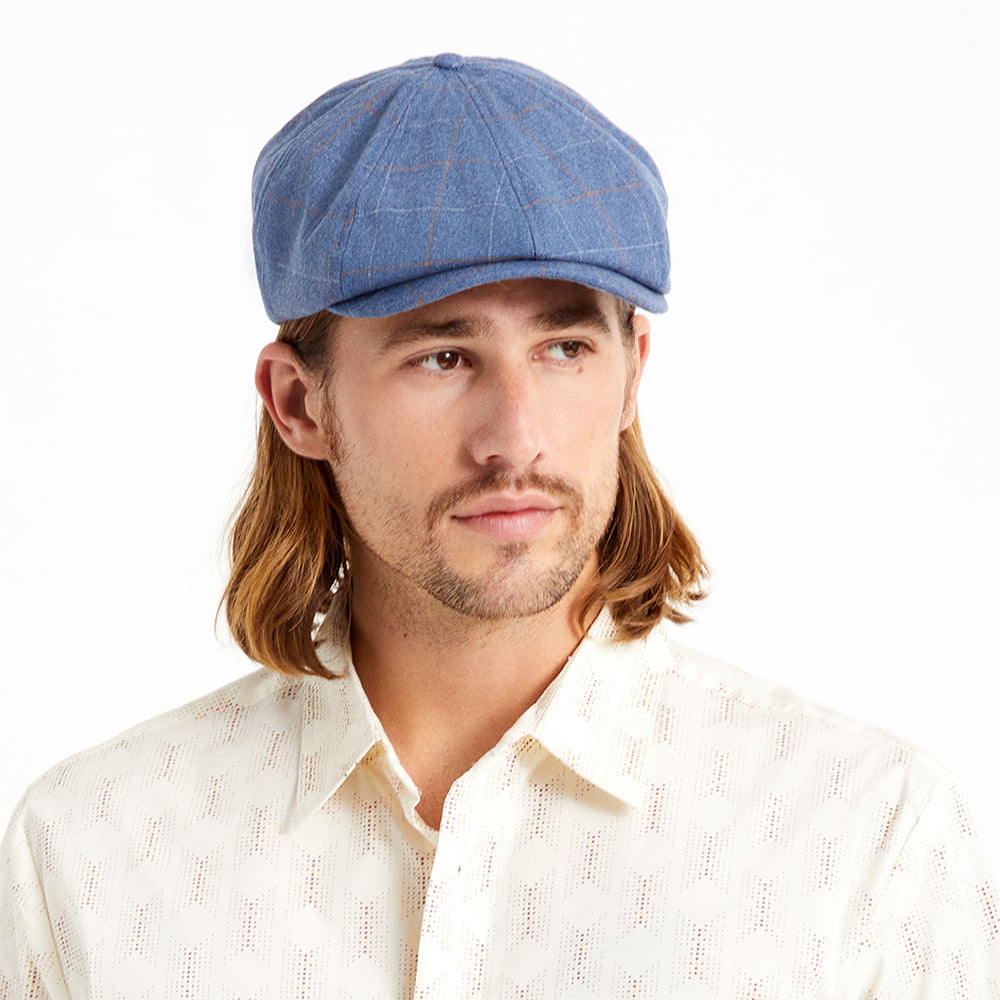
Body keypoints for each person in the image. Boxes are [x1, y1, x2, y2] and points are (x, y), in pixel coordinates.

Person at [1, 53, 997, 999]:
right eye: (441, 357)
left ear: (631, 374)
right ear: (300, 404)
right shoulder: (96, 848)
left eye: (564, 348)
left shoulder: (863, 838)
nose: (514, 438)